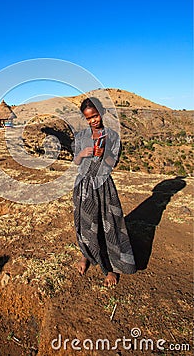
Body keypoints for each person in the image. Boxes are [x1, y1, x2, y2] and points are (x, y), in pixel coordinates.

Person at [72, 97, 136, 287]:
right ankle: (87, 255)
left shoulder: (113, 136)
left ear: (101, 113)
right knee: (84, 224)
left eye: (95, 116)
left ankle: (111, 267)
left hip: (103, 185)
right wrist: (83, 153)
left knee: (109, 224)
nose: (93, 121)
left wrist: (104, 154)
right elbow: (76, 162)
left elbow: (112, 164)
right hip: (83, 185)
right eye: (89, 118)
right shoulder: (81, 136)